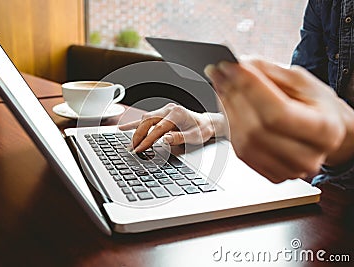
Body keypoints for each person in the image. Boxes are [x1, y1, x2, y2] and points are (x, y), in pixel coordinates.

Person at [119, 0, 354, 189]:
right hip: (324, 193)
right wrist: (212, 123)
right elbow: (304, 105)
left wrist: (344, 142)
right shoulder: (325, 4)